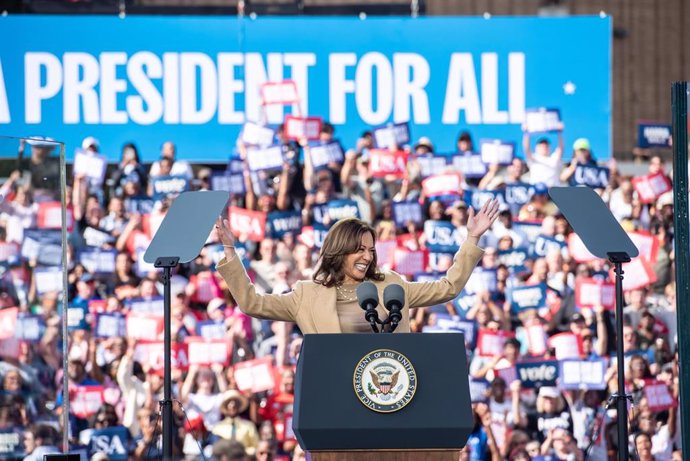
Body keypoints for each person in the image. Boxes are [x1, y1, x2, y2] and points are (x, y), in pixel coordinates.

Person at [214, 200, 500, 333]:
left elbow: (447, 288)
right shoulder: (306, 294)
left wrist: (472, 237)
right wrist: (230, 249)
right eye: (359, 249)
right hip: (333, 397)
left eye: (371, 250)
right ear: (339, 251)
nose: (367, 256)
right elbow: (252, 303)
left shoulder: (391, 287)